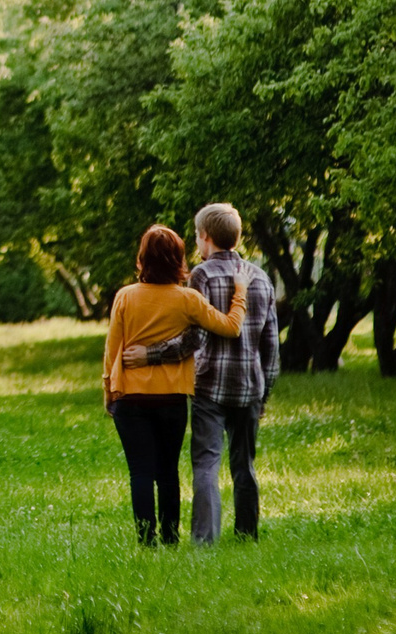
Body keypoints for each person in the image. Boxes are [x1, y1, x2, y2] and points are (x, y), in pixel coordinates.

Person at [128, 202, 279, 542]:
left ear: (206, 236)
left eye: (197, 236)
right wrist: (265, 392)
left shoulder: (202, 275)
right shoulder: (260, 277)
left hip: (210, 385)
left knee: (207, 464)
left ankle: (204, 540)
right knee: (245, 465)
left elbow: (193, 337)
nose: (196, 242)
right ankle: (246, 534)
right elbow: (271, 345)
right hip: (250, 386)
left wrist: (150, 354)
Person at [101, 224, 245, 546]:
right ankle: (169, 538)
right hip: (171, 398)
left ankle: (146, 540)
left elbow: (112, 351)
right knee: (167, 471)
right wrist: (240, 293)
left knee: (140, 472)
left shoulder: (125, 296)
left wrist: (109, 392)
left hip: (130, 397)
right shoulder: (187, 299)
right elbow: (230, 326)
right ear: (178, 259)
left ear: (142, 258)